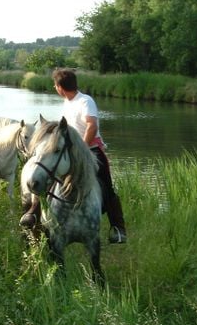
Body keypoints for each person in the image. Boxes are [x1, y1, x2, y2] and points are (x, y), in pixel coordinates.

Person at [21, 68, 127, 244]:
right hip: (68, 151)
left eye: (55, 85)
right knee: (49, 172)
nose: (55, 88)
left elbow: (91, 126)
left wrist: (82, 150)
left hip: (90, 149)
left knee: (106, 185)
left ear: (60, 87)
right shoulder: (67, 102)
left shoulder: (85, 101)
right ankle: (34, 211)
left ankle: (118, 228)